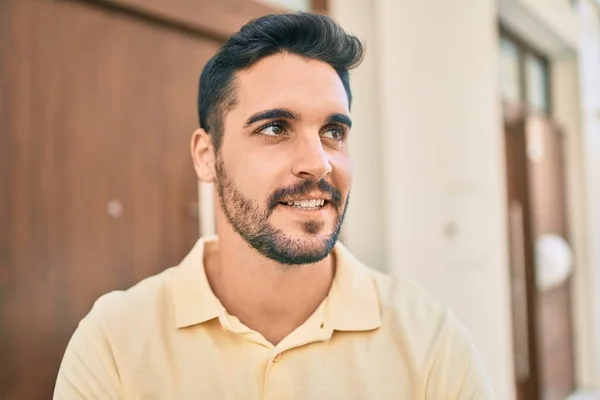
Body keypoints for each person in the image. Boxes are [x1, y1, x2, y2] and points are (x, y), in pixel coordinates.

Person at [54, 12, 494, 399]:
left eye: (333, 131)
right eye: (275, 128)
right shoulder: (113, 342)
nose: (318, 163)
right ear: (206, 156)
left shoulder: (430, 342)